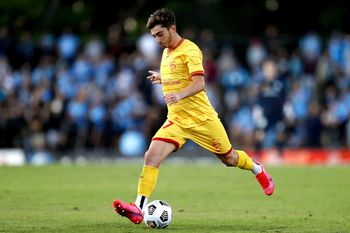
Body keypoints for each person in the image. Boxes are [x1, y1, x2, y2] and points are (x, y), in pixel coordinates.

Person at [113, 8, 274, 224]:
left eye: (160, 34)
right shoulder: (166, 52)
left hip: (202, 119)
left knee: (229, 159)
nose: (157, 40)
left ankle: (257, 169)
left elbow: (199, 83)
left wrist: (178, 94)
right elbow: (178, 75)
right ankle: (138, 208)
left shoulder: (190, 50)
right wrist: (163, 79)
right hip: (177, 120)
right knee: (151, 156)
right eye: (153, 37)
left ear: (173, 28)